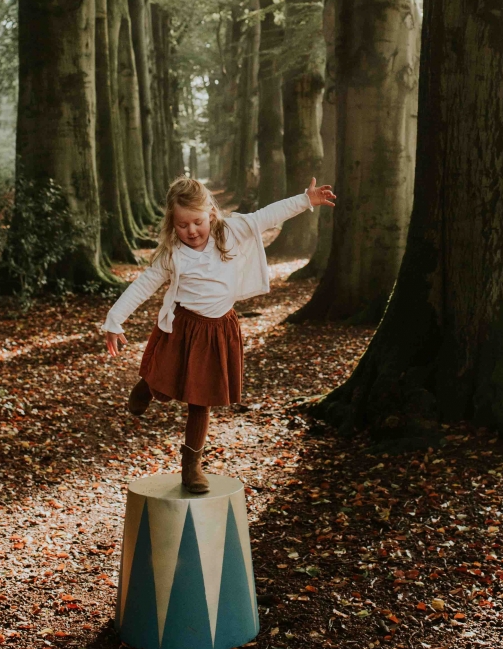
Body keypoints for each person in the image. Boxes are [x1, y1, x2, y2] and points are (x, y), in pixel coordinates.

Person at [102, 176, 336, 493]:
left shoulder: (229, 233)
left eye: (197, 222)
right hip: (184, 328)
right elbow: (143, 285)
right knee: (165, 382)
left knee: (201, 399)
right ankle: (146, 387)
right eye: (182, 225)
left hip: (217, 331)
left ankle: (191, 466)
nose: (192, 231)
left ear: (211, 214)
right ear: (173, 225)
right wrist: (114, 320)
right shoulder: (173, 254)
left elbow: (266, 216)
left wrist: (306, 199)